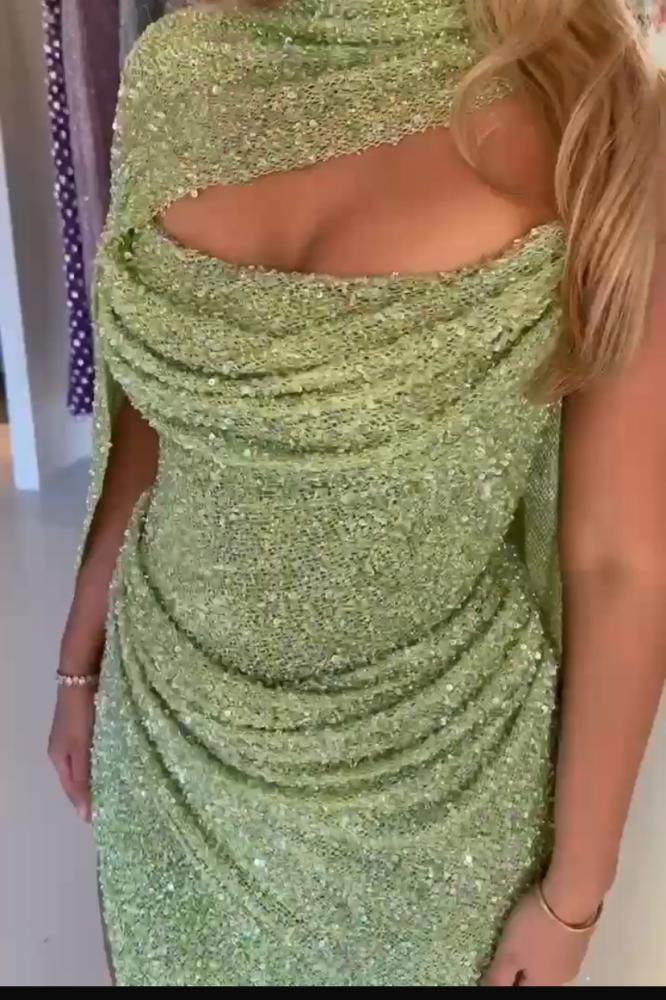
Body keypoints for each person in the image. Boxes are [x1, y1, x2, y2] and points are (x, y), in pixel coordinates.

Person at [48, 0, 666, 987]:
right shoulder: (176, 73)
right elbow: (156, 428)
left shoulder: (596, 112)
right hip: (165, 738)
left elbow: (620, 560)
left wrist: (574, 898)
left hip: (424, 807)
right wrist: (78, 666)